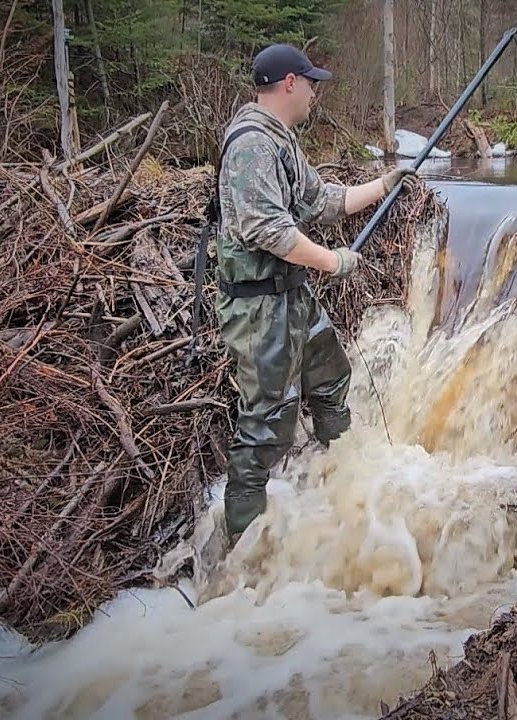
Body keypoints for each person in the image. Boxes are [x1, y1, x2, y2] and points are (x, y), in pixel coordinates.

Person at [214, 43, 419, 540]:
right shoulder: (251, 145)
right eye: (310, 83)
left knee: (330, 376)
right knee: (265, 423)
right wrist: (335, 262)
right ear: (288, 83)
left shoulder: (280, 139)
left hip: (291, 297)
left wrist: (384, 184)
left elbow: (320, 201)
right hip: (259, 305)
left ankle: (339, 479)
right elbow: (270, 232)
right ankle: (239, 543)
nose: (314, 93)